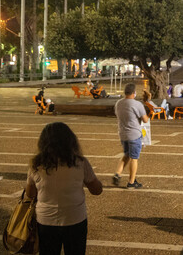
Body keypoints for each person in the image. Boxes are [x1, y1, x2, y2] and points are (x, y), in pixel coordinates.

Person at [25, 122, 103, 254]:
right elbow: (97, 190)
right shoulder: (80, 162)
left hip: (46, 220)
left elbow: (30, 194)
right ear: (71, 141)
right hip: (75, 218)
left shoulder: (36, 165)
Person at [112, 83, 149, 189]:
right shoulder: (137, 104)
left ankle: (117, 174)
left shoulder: (119, 103)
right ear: (134, 93)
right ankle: (131, 182)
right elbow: (145, 119)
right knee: (134, 158)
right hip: (134, 134)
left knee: (127, 154)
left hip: (122, 134)